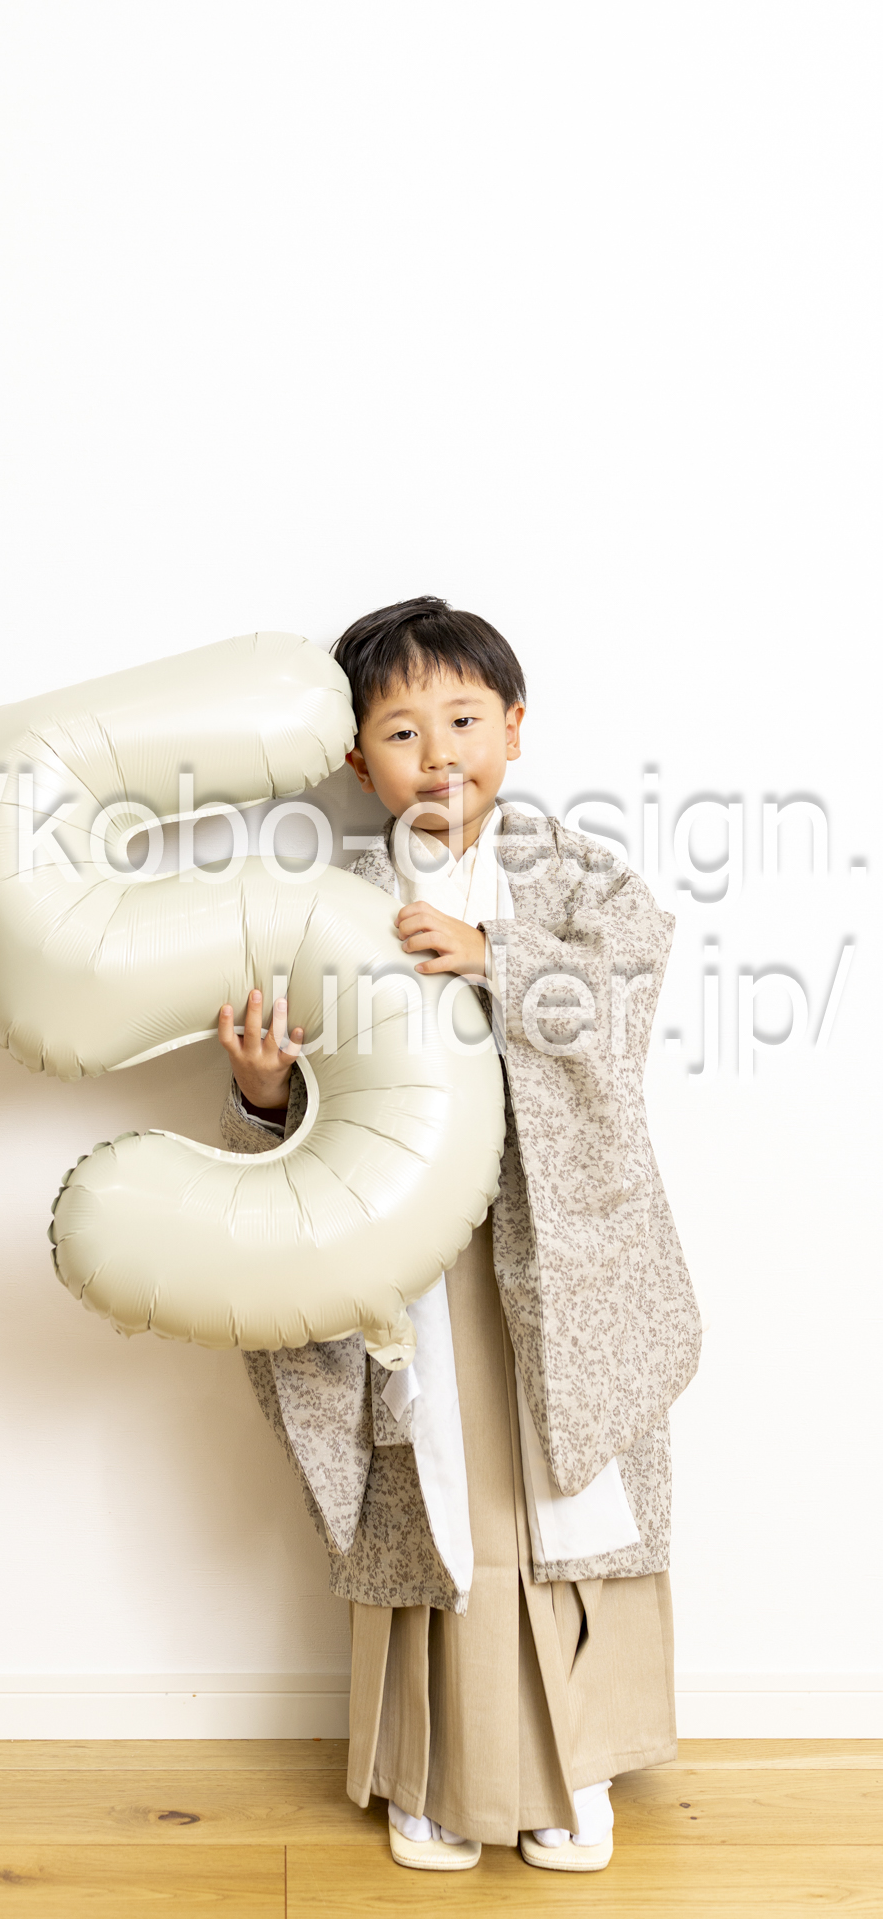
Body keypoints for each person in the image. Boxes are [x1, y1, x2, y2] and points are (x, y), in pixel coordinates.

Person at [215, 597, 701, 1874]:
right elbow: (303, 1090)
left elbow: (629, 986)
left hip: (558, 1248)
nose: (438, 755)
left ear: (515, 728)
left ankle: (573, 1764)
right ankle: (434, 1769)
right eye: (400, 730)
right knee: (444, 1497)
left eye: (464, 719)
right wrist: (262, 1090)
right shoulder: (335, 905)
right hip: (412, 1266)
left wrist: (495, 953)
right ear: (354, 759)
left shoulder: (570, 877)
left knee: (562, 1491)